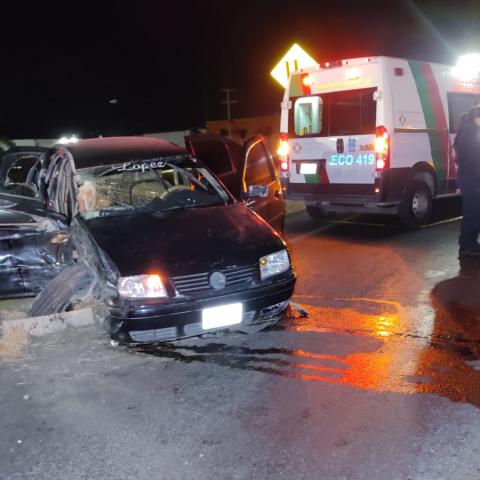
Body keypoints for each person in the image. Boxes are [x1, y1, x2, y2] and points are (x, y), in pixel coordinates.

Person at [454, 106, 480, 256]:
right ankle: (466, 246)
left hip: (470, 177)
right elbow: (472, 159)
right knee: (473, 212)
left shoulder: (470, 131)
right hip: (471, 179)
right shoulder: (471, 133)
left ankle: (469, 242)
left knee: (474, 212)